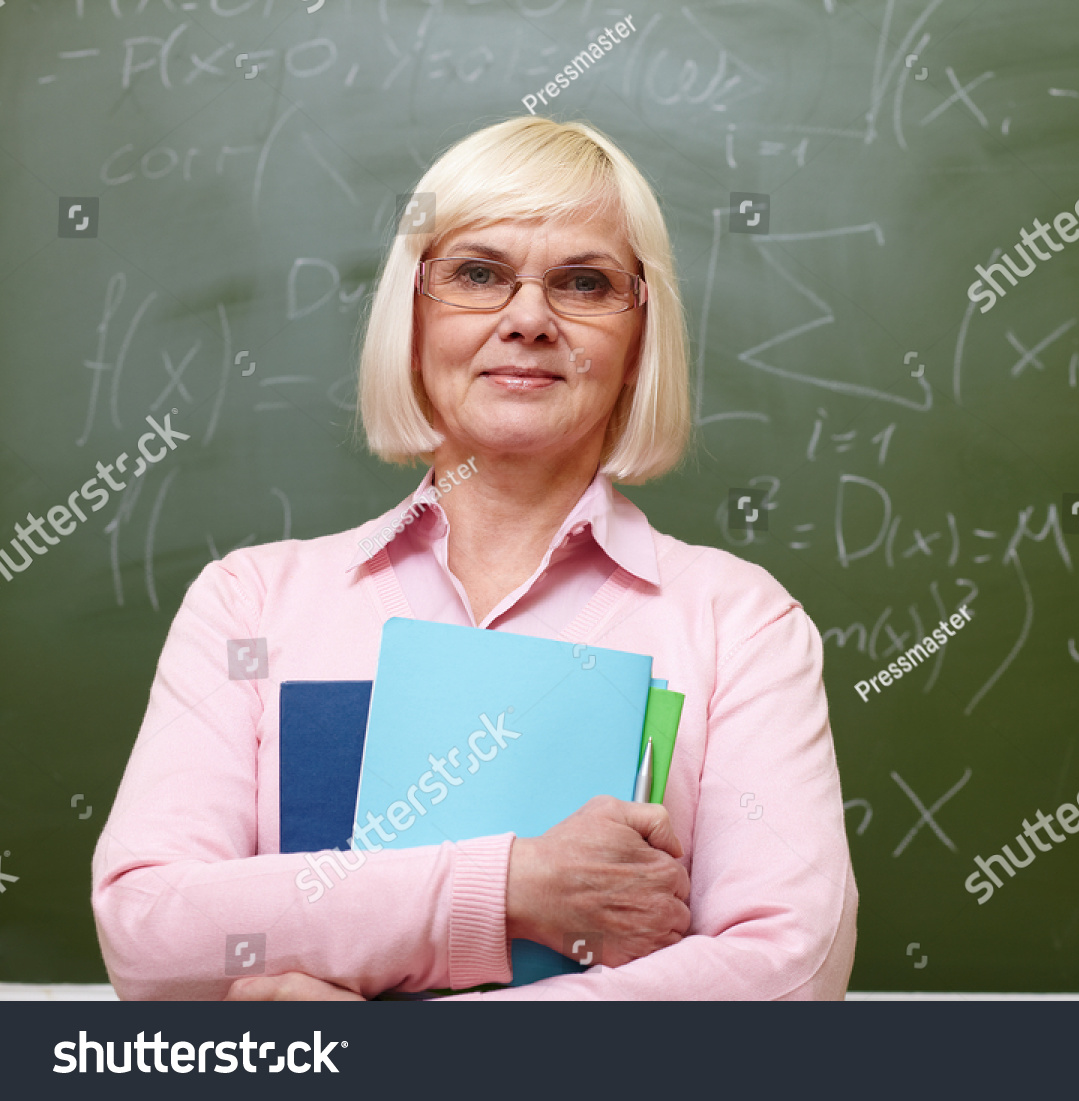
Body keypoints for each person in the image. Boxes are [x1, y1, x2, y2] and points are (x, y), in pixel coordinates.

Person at [91, 117, 858, 1001]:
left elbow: (788, 969)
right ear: (412, 318)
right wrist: (510, 887)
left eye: (584, 282)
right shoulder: (250, 605)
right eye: (478, 274)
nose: (528, 319)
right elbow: (151, 933)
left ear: (640, 338)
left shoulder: (741, 623)